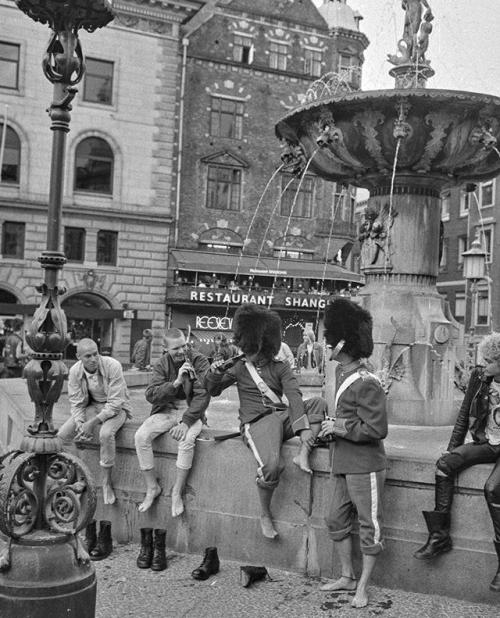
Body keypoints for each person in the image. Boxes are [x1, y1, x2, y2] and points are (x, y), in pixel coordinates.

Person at [204, 304, 327, 539]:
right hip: (257, 422)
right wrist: (214, 372)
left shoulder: (280, 367)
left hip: (280, 417)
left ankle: (303, 453)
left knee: (319, 403)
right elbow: (212, 390)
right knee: (272, 467)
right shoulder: (239, 367)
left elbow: (294, 396)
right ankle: (264, 514)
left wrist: (301, 430)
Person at [413, 332, 500, 592]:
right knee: (443, 466)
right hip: (488, 441)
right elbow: (463, 416)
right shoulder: (480, 378)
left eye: (488, 361)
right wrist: (452, 451)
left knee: (493, 489)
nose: (482, 365)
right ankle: (439, 536)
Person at [317, 298, 388, 609]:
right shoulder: (343, 373)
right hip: (343, 461)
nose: (324, 342)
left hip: (365, 464)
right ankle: (346, 576)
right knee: (334, 518)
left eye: (328, 337)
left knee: (369, 527)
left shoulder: (366, 382)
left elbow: (376, 430)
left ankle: (362, 586)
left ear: (342, 342)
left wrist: (338, 427)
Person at [134, 328, 210, 517]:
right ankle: (152, 487)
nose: (182, 351)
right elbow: (151, 395)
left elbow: (203, 395)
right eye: (176, 348)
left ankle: (177, 491)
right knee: (140, 436)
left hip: (191, 411)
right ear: (165, 348)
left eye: (184, 345)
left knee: (187, 439)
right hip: (166, 410)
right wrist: (175, 383)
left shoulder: (199, 360)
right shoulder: (161, 364)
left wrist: (185, 422)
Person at [58, 338, 131, 505]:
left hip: (117, 408)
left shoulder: (113, 365)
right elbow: (76, 403)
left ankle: (106, 483)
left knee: (106, 434)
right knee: (61, 436)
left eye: (95, 354)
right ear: (78, 357)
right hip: (92, 406)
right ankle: (78, 475)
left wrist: (91, 423)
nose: (93, 359)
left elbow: (115, 403)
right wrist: (80, 424)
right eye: (88, 356)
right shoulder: (75, 371)